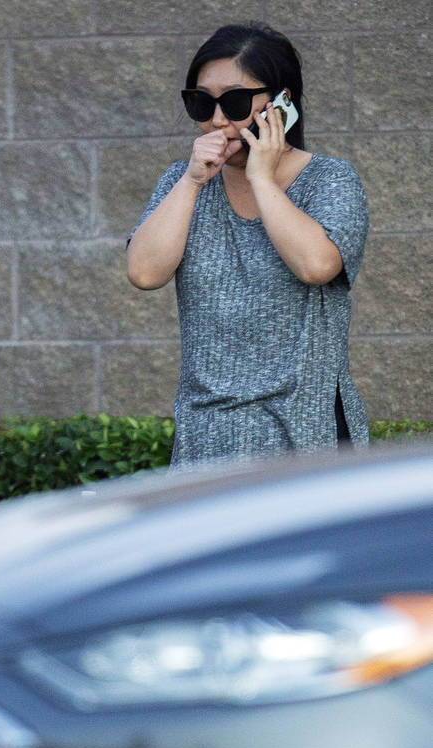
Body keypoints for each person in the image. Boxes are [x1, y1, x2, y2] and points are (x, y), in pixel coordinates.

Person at [126, 21, 369, 466]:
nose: (218, 120)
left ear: (281, 102)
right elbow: (144, 272)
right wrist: (193, 181)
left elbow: (317, 265)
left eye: (236, 102)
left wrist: (262, 177)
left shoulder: (330, 181)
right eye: (202, 102)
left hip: (305, 436)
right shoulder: (182, 185)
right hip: (207, 439)